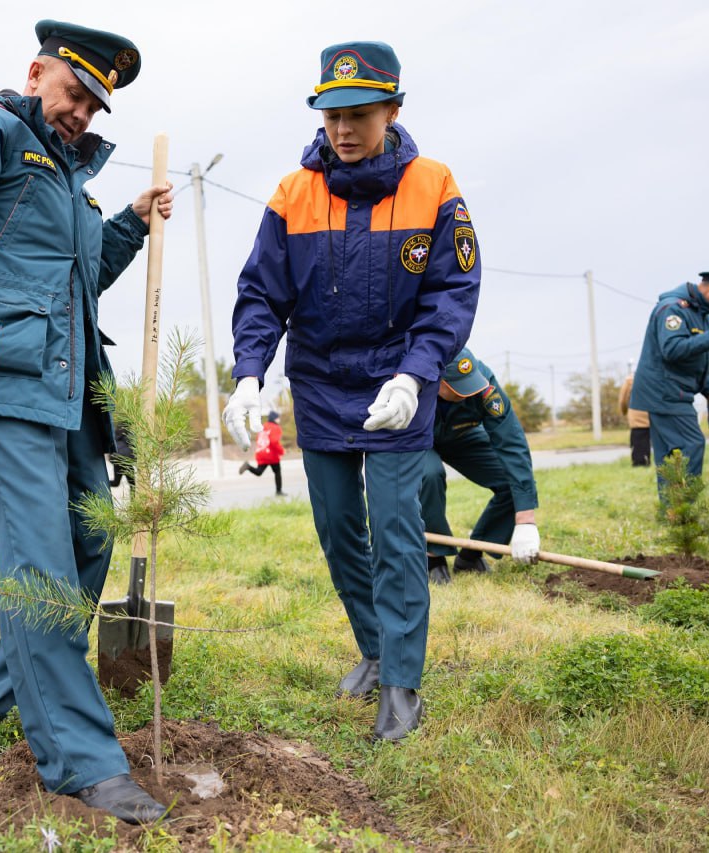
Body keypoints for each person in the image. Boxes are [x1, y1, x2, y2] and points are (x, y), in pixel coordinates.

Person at [0, 20, 173, 824]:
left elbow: (83, 278)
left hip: (67, 395)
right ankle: (82, 761)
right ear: (37, 72)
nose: (81, 111)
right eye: (73, 91)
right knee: (40, 571)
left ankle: (0, 701)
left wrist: (127, 220)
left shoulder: (67, 181)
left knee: (89, 540)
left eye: (94, 104)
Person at [223, 41, 480, 741]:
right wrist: (249, 374)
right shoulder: (293, 193)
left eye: (360, 113)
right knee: (339, 531)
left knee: (396, 533)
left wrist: (417, 370)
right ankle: (374, 646)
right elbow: (260, 294)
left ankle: (401, 683)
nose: (343, 128)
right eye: (332, 113)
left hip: (399, 386)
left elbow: (453, 291)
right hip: (323, 385)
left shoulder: (433, 184)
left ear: (393, 110)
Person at [420, 349, 539, 584]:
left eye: (469, 382)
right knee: (430, 474)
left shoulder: (485, 386)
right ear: (437, 379)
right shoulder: (415, 380)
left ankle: (472, 555)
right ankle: (433, 556)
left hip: (461, 434)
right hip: (420, 438)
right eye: (458, 386)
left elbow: (511, 442)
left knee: (511, 482)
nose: (467, 392)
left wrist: (526, 519)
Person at [629, 272, 709, 497]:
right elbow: (673, 350)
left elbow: (698, 358)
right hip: (664, 391)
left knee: (669, 456)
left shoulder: (698, 312)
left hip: (673, 390)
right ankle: (685, 508)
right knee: (692, 444)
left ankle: (674, 513)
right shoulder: (673, 309)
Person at [239, 410, 286, 495]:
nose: (279, 419)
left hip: (261, 453)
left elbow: (259, 439)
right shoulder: (275, 427)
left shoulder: (263, 426)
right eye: (278, 418)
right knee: (277, 472)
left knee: (259, 472)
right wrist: (281, 451)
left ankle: (248, 466)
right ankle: (279, 491)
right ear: (274, 418)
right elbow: (274, 442)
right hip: (271, 455)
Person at [618, 371, 651, 467]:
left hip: (637, 415)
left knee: (639, 442)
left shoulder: (630, 380)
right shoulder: (654, 377)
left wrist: (624, 411)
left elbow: (623, 399)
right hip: (655, 413)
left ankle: (641, 463)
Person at [108, 423, 135, 488]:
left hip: (117, 461)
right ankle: (134, 498)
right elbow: (134, 446)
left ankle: (101, 484)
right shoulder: (128, 435)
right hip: (126, 462)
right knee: (132, 484)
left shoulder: (115, 435)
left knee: (115, 483)